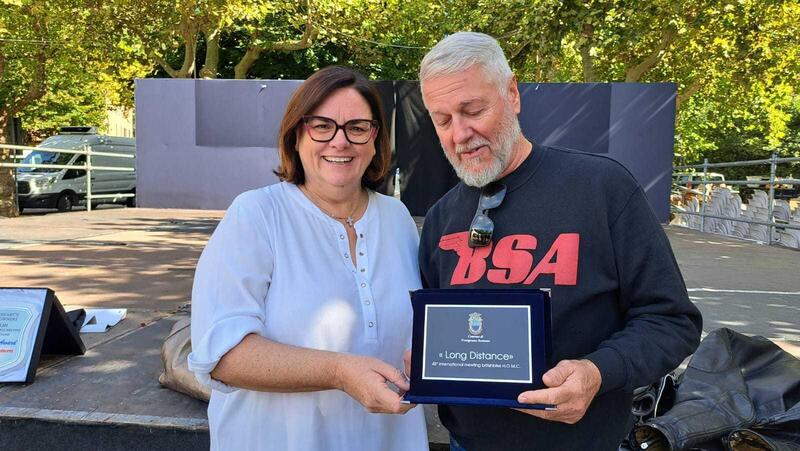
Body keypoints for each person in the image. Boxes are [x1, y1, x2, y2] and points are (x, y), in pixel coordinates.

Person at [417, 32, 703, 450]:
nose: (460, 133)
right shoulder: (442, 218)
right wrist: (424, 359)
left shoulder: (601, 187)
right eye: (442, 120)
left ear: (512, 94)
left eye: (473, 110)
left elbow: (672, 321)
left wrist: (597, 371)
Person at [188, 66, 428, 451]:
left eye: (357, 127)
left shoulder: (397, 218)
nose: (340, 141)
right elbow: (222, 356)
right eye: (322, 126)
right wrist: (339, 371)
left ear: (375, 139)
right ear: (297, 135)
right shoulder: (256, 214)